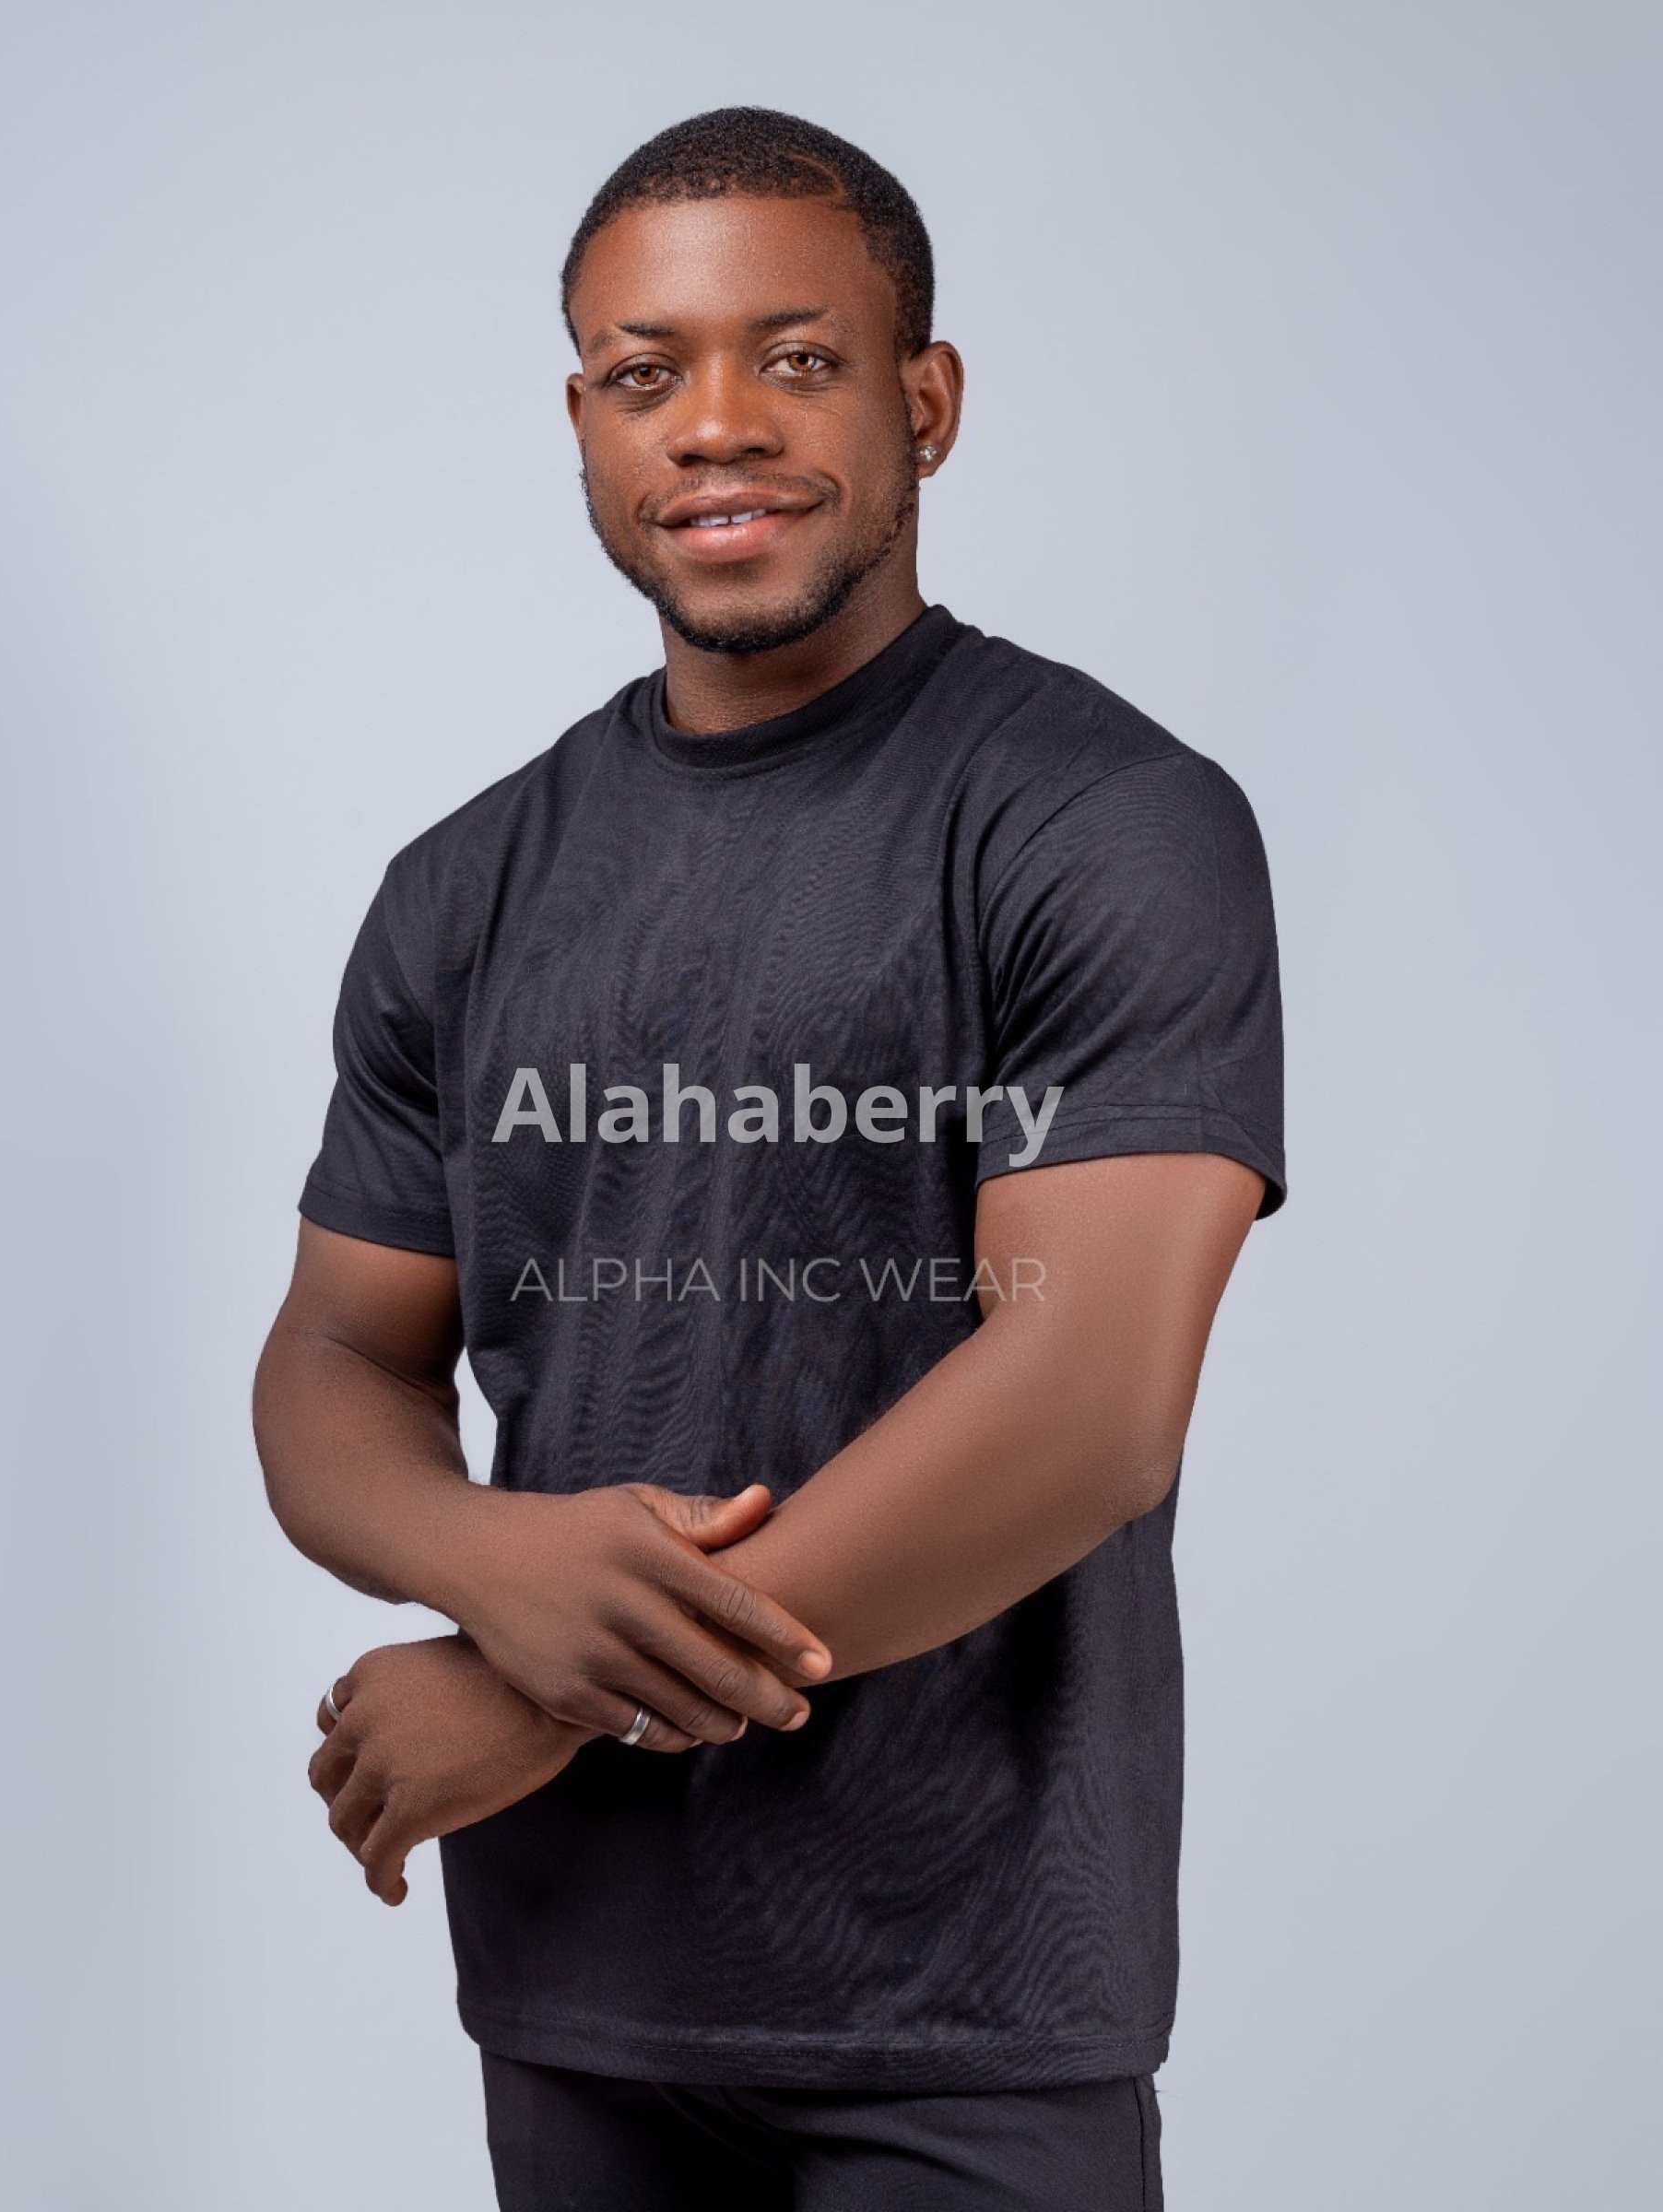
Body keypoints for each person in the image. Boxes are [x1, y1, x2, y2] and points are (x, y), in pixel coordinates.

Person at [254, 104, 1287, 2212]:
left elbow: (1083, 1401)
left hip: (968, 1996)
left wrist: (556, 1694)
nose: (716, 422)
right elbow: (339, 1355)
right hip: (577, 1983)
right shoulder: (463, 885)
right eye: (646, 372)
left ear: (928, 401)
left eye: (797, 359)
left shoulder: (1100, 821)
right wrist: (486, 1568)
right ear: (583, 421)